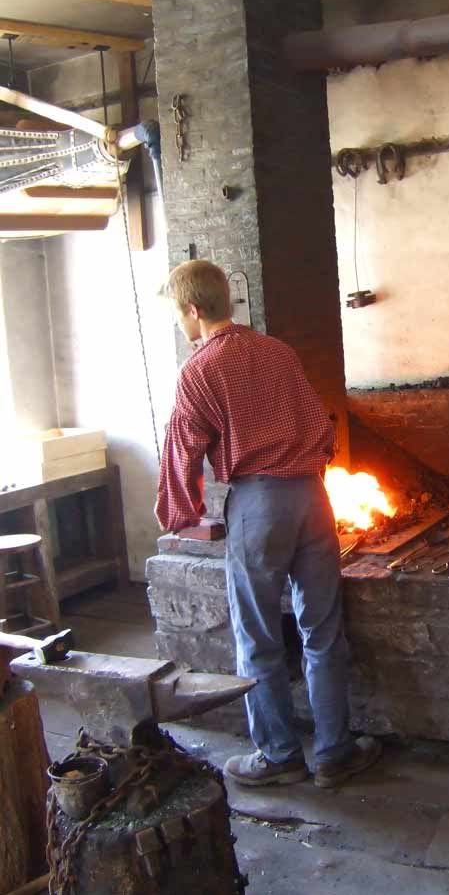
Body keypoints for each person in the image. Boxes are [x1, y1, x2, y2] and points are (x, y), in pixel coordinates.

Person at [155, 259, 381, 788]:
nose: (181, 324)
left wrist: (179, 513)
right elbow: (320, 427)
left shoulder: (198, 371)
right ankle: (335, 752)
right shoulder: (279, 352)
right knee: (323, 631)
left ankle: (280, 755)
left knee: (258, 637)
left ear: (194, 310)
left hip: (258, 505)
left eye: (179, 315)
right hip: (313, 498)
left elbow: (182, 450)